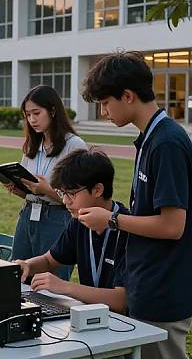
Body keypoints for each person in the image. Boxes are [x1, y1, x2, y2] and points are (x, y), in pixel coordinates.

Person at [80, 50, 192, 359]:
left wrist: (112, 220)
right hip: (146, 283)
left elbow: (172, 226)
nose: (103, 111)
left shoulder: (167, 142)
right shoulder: (150, 137)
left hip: (164, 288)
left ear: (127, 96)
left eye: (105, 102)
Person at [16, 149, 128, 314]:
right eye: (62, 193)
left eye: (72, 193)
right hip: (91, 316)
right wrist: (28, 265)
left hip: (125, 324)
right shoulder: (79, 221)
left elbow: (121, 301)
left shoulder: (127, 228)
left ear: (98, 190)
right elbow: (49, 260)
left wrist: (65, 287)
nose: (65, 201)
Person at [9, 85, 86, 280]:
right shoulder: (32, 145)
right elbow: (30, 187)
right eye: (27, 115)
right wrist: (19, 189)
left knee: (51, 282)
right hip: (28, 215)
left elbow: (82, 200)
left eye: (36, 113)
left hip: (57, 218)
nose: (32, 120)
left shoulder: (74, 145)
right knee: (16, 275)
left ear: (52, 111)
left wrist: (47, 190)